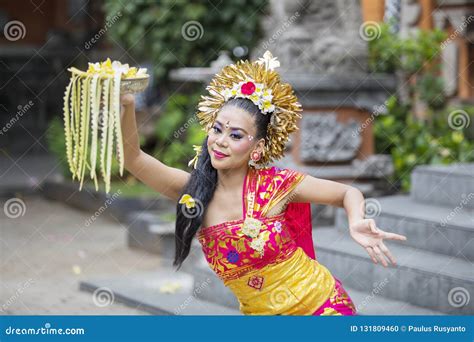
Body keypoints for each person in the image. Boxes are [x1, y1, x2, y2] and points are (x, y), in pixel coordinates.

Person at [120, 51, 407, 315]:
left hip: (322, 308)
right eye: (217, 130)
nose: (220, 141)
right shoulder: (193, 192)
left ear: (256, 149)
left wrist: (356, 220)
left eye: (235, 135)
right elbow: (133, 159)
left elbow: (347, 191)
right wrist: (128, 104)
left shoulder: (277, 186)